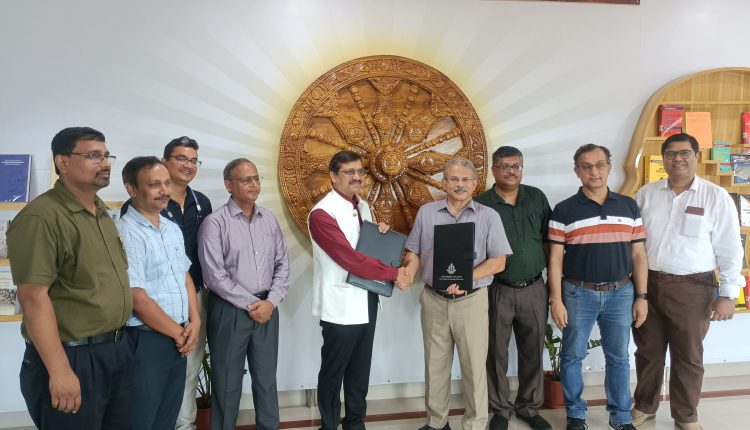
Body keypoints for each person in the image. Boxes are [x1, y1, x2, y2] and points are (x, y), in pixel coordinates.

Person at [7, 127, 134, 429]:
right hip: (73, 356)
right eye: (94, 156)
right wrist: (60, 370)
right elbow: (33, 297)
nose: (105, 163)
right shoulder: (41, 217)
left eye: (107, 156)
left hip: (116, 350)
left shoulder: (100, 212)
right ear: (62, 163)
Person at [631, 133, 744, 430]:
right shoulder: (647, 194)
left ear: (696, 156)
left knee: (689, 356)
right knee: (648, 352)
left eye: (684, 153)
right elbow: (632, 241)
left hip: (693, 288)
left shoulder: (715, 196)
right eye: (670, 154)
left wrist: (728, 295)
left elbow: (730, 248)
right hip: (648, 285)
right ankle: (644, 405)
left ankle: (685, 415)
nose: (677, 159)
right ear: (663, 159)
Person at [403, 157, 511, 430]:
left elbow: (499, 261)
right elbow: (413, 251)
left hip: (471, 302)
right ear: (444, 183)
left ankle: (475, 424)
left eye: (465, 180)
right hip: (433, 299)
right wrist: (408, 270)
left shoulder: (489, 216)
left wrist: (465, 277)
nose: (459, 185)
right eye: (453, 179)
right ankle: (437, 422)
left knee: (474, 367)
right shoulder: (427, 213)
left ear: (474, 184)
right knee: (435, 365)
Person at [308, 150, 412, 430]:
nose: (356, 177)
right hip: (340, 304)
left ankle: (355, 422)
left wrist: (380, 233)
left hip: (367, 297)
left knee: (359, 368)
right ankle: (329, 425)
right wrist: (394, 273)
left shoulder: (363, 206)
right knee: (333, 371)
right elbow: (349, 259)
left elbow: (367, 247)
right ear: (333, 176)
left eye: (360, 171)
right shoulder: (321, 214)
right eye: (349, 172)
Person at [547, 144, 648, 430]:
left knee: (618, 358)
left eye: (600, 165)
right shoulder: (563, 210)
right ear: (577, 171)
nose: (594, 171)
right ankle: (576, 415)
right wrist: (556, 299)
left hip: (621, 293)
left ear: (609, 167)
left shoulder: (628, 206)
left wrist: (642, 296)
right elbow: (554, 259)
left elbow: (639, 255)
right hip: (578, 293)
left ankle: (621, 417)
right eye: (587, 166)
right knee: (572, 356)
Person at [120, 136, 212, 430]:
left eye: (166, 184)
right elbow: (136, 295)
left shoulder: (170, 227)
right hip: (149, 336)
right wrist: (178, 332)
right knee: (144, 414)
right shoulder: (127, 231)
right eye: (154, 185)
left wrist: (194, 322)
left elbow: (185, 274)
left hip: (181, 330)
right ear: (132, 189)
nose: (164, 191)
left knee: (169, 411)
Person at [198, 158, 290, 430]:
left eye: (256, 178)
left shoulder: (269, 219)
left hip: (267, 308)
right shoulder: (215, 223)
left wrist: (270, 301)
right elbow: (214, 276)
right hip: (230, 311)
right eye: (246, 180)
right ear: (229, 185)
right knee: (227, 382)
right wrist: (254, 304)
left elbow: (283, 264)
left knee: (266, 379)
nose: (254, 184)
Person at [475, 147, 552, 430]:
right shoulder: (482, 204)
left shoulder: (536, 197)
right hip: (497, 288)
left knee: (533, 349)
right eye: (505, 166)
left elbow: (548, 240)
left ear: (522, 168)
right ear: (494, 170)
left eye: (516, 166)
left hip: (534, 287)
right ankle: (500, 410)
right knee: (495, 351)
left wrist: (552, 283)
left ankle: (529, 407)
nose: (511, 171)